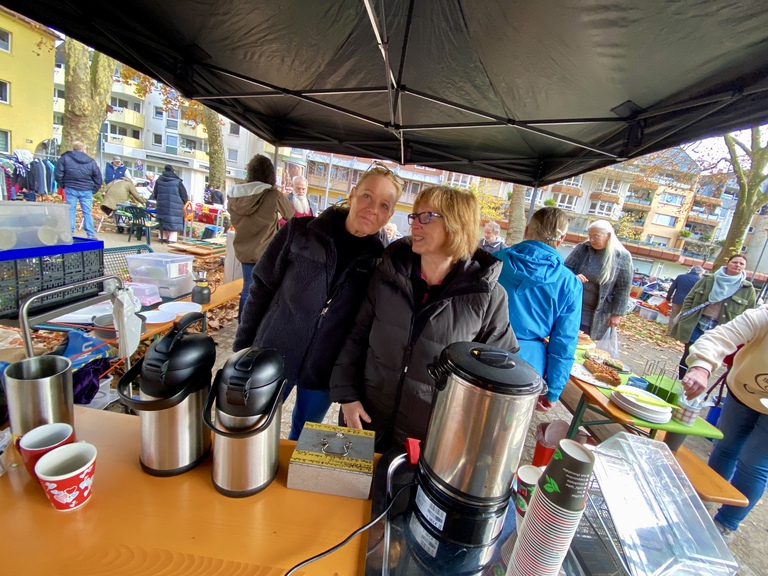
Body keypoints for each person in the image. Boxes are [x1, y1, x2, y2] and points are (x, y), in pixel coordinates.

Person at [329, 185, 519, 452]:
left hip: (432, 436)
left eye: (426, 217)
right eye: (414, 216)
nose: (414, 224)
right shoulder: (387, 274)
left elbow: (498, 374)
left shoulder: (487, 296)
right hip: (365, 418)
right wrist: (347, 396)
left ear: (456, 225)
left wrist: (464, 431)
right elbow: (356, 335)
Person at [233, 164, 403, 440]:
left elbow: (364, 328)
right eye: (367, 196)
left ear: (390, 215)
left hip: (324, 367)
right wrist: (243, 347)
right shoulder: (300, 231)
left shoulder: (379, 262)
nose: (373, 208)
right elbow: (261, 287)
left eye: (384, 205)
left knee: (304, 436)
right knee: (252, 425)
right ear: (352, 195)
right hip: (272, 352)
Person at [681, 305, 768, 543]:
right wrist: (702, 366)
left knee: (754, 463)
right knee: (726, 446)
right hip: (742, 391)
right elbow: (721, 336)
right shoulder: (764, 316)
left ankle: (725, 524)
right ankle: (704, 500)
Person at [495, 207, 582, 412]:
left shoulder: (492, 259)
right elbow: (564, 343)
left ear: (527, 230)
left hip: (481, 352)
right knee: (511, 426)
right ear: (562, 239)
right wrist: (553, 390)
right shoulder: (569, 282)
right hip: (527, 366)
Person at [227, 155, 296, 322]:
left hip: (243, 250)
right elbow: (290, 213)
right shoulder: (272, 195)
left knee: (247, 289)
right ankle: (258, 325)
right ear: (270, 175)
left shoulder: (234, 196)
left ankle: (242, 326)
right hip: (267, 251)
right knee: (266, 290)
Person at [670, 254, 755, 378]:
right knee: (690, 354)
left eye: (741, 264)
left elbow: (749, 313)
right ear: (727, 263)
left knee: (707, 358)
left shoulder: (747, 289)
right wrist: (686, 314)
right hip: (697, 323)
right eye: (735, 262)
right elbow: (690, 298)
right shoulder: (709, 279)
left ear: (744, 267)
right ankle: (681, 380)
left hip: (721, 329)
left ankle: (695, 382)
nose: (738, 265)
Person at [564, 219, 633, 339]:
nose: (592, 240)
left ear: (608, 236)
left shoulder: (622, 256)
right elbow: (565, 269)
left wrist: (617, 314)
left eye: (596, 236)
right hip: (571, 306)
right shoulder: (583, 248)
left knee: (583, 342)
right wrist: (572, 277)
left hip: (597, 313)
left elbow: (623, 288)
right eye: (590, 236)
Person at [54, 141, 103, 239]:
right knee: (87, 212)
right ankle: (90, 234)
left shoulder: (65, 158)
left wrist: (63, 185)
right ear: (83, 149)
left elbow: (58, 173)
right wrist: (94, 189)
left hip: (70, 187)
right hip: (86, 189)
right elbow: (98, 177)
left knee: (71, 211)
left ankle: (69, 233)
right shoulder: (91, 161)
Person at [152, 164, 188, 243]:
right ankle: (172, 239)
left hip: (162, 205)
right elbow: (184, 195)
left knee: (163, 221)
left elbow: (155, 193)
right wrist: (185, 203)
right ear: (173, 171)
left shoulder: (159, 180)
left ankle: (162, 237)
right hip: (175, 206)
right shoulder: (177, 181)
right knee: (173, 222)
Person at [666, 265, 705, 332]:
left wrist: (668, 298)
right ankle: (679, 333)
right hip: (689, 302)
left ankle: (670, 331)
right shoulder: (699, 280)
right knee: (684, 318)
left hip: (677, 300)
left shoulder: (680, 277)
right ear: (699, 272)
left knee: (673, 316)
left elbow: (672, 288)